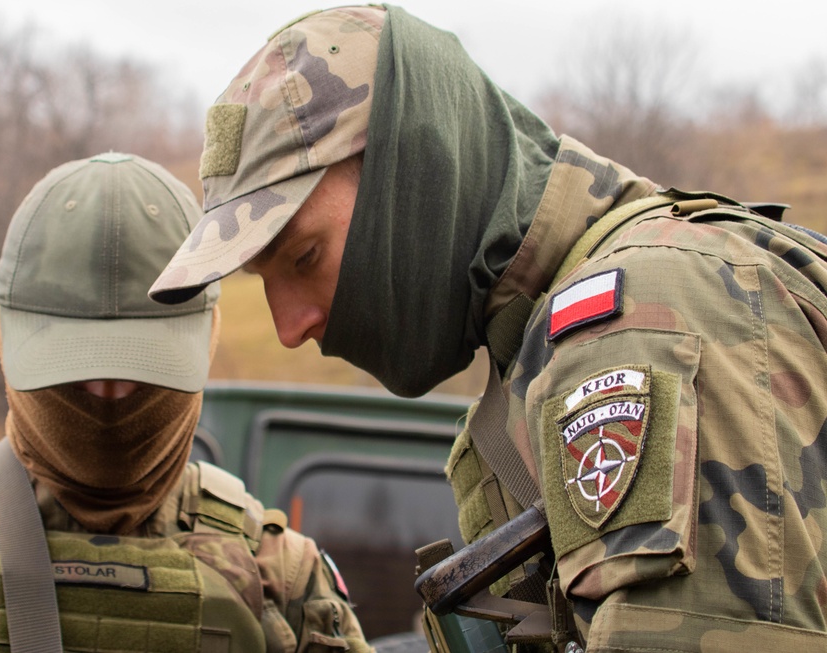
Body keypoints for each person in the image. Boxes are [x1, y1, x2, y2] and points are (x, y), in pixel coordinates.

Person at [148, 5, 827, 652]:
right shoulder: (533, 357)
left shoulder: (634, 320)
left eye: (304, 257)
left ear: (412, 173)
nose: (289, 326)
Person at [0, 152, 372, 653]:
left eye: (141, 376)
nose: (110, 398)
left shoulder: (284, 580)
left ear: (204, 338)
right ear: (5, 335)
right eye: (76, 376)